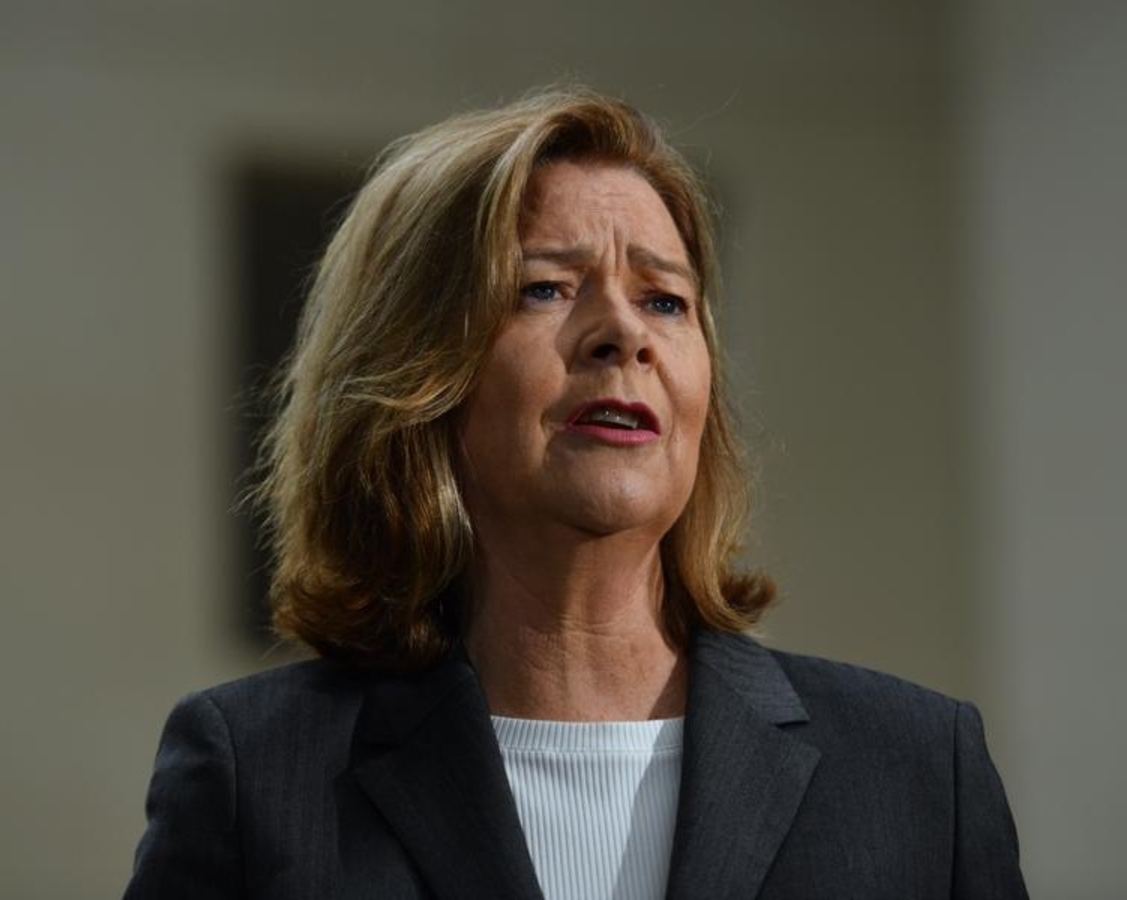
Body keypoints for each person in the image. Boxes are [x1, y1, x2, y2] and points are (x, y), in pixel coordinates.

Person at [123, 87, 1029, 899]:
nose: (623, 334)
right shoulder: (254, 775)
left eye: (665, 300)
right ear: (415, 370)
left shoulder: (918, 771)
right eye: (545, 289)